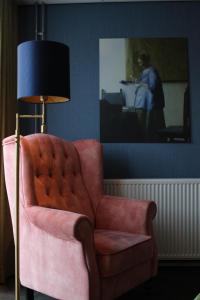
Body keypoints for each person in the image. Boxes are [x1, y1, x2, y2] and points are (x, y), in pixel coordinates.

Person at [136, 52, 166, 140]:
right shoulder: (144, 71)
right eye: (139, 63)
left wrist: (141, 83)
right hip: (144, 102)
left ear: (146, 61)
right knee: (144, 124)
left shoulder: (152, 71)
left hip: (150, 102)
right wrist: (137, 82)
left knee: (151, 126)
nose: (140, 65)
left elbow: (153, 86)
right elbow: (143, 83)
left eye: (141, 62)